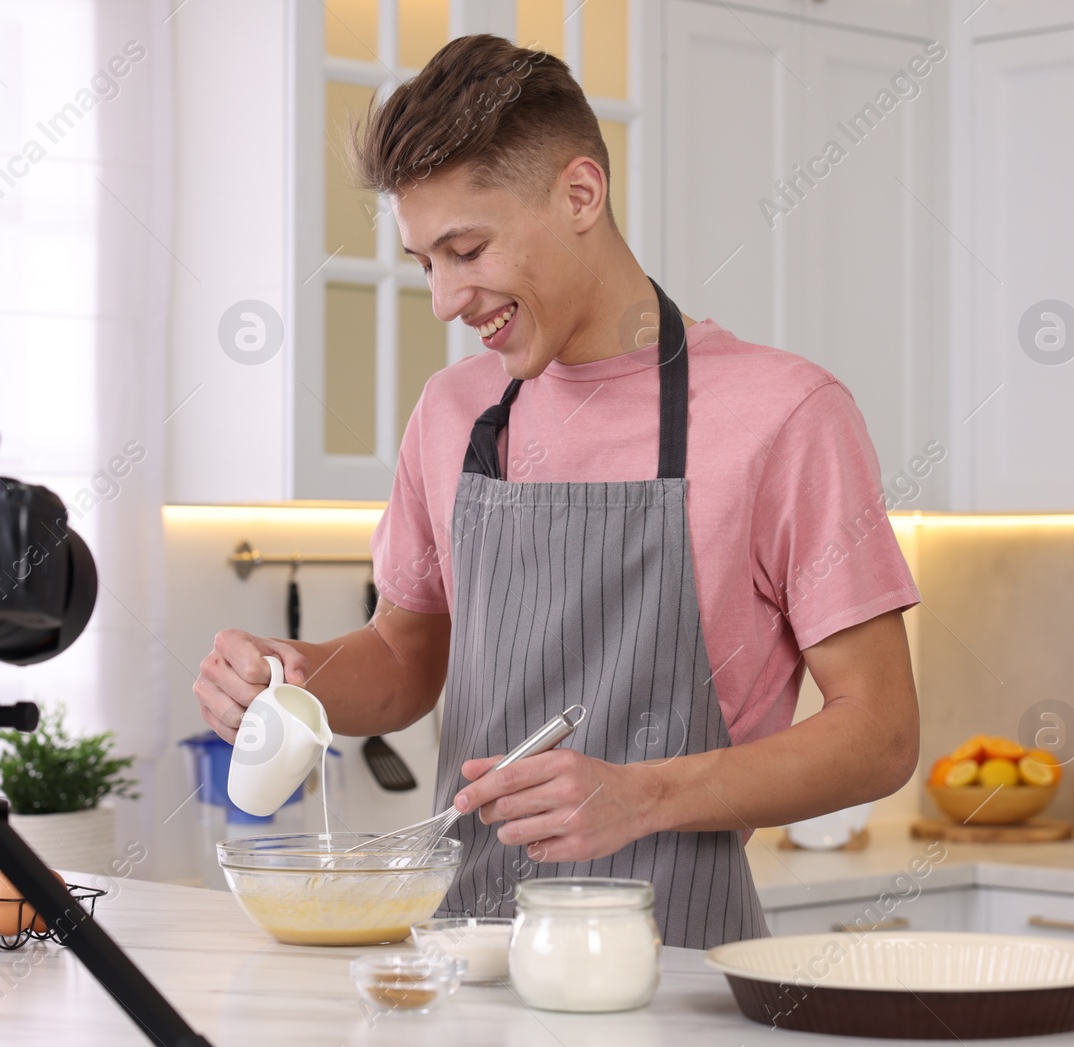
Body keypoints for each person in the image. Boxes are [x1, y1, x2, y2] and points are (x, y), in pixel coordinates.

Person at [196, 34, 920, 950]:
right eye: (426, 261)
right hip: (464, 956)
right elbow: (406, 655)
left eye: (467, 249)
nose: (446, 300)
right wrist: (293, 677)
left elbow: (883, 731)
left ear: (581, 193)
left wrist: (645, 794)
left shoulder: (786, 414)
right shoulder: (454, 411)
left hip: (675, 968)